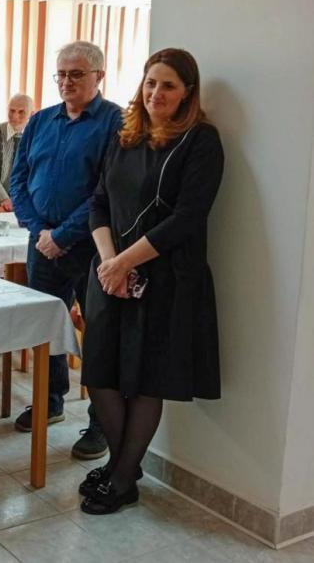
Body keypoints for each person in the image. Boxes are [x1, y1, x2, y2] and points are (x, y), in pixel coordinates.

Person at [78, 48, 223, 514]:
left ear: (188, 93)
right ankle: (123, 465)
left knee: (145, 380)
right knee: (99, 371)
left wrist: (125, 263)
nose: (156, 93)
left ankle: (122, 478)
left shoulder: (201, 141)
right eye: (150, 82)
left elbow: (187, 218)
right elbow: (98, 203)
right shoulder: (125, 135)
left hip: (165, 277)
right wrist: (110, 263)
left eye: (168, 85)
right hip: (110, 272)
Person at [10, 41, 123, 460]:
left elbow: (105, 191)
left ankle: (100, 422)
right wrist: (40, 230)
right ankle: (50, 400)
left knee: (99, 334)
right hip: (42, 244)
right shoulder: (41, 121)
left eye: (76, 74)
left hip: (93, 246)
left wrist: (63, 235)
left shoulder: (115, 123)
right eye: (60, 74)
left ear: (99, 76)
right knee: (46, 324)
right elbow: (18, 179)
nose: (66, 82)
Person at [0, 93, 33, 212]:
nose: (15, 116)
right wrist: (5, 199)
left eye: (21, 112)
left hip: (26, 202)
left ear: (31, 114)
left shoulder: (36, 135)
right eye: (12, 110)